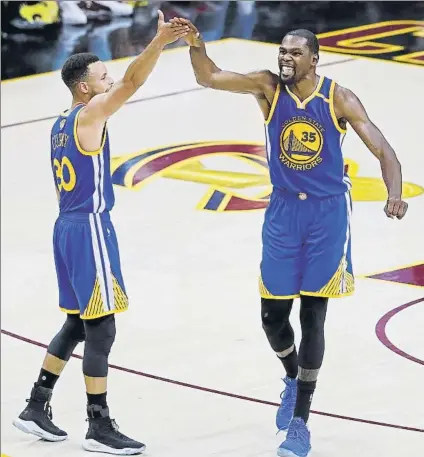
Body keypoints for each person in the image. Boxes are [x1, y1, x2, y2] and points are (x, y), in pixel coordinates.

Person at [171, 18, 408, 457]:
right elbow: (208, 77)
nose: (285, 57)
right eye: (282, 51)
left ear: (313, 60)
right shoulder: (267, 87)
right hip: (283, 210)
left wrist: (394, 193)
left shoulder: (339, 97)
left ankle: (300, 422)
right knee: (272, 317)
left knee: (313, 316)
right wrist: (195, 42)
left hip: (327, 215)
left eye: (295, 53)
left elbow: (384, 149)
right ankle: (290, 376)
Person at [12, 11, 189, 456]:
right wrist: (159, 42)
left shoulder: (60, 125)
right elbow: (133, 83)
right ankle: (98, 424)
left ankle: (36, 404)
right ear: (84, 88)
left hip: (66, 228)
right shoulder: (90, 114)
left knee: (76, 322)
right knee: (102, 329)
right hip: (88, 227)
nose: (110, 82)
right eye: (102, 77)